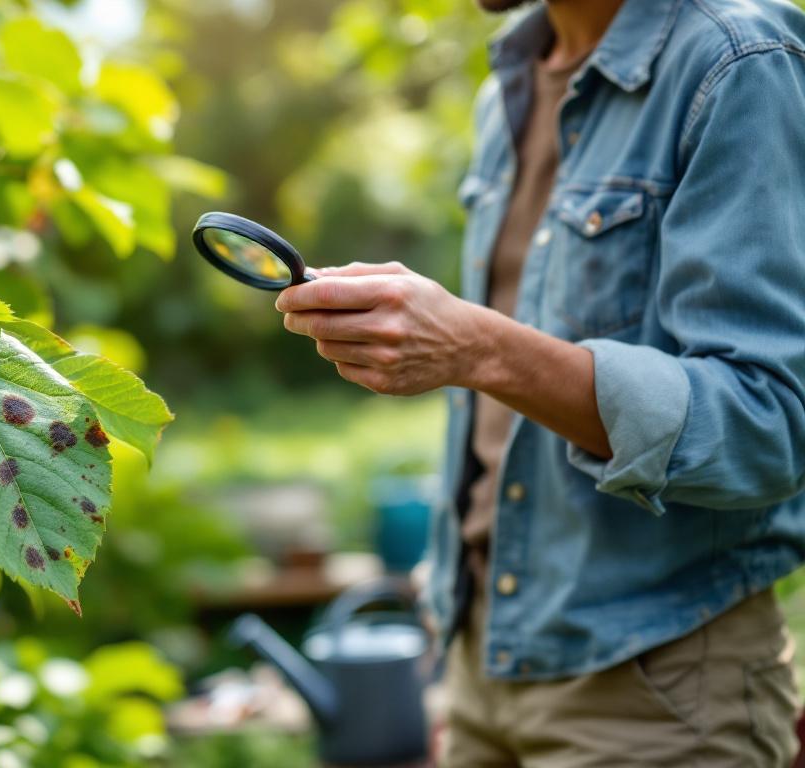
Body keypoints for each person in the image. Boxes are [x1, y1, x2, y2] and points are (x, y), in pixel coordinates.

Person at [275, 0, 805, 764]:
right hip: (481, 664)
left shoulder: (738, 61)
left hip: (652, 687)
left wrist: (480, 348)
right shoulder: (510, 85)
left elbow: (770, 426)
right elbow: (496, 429)